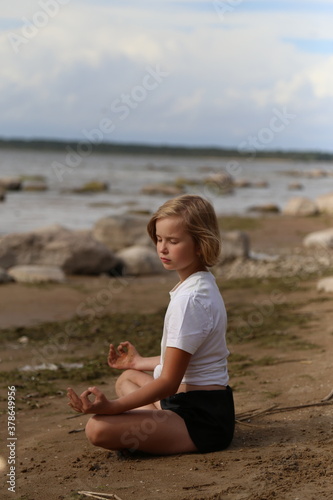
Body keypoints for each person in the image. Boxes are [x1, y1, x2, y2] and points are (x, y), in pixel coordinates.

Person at [67, 194, 235, 455]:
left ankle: (156, 436)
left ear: (201, 244)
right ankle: (153, 431)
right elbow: (185, 358)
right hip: (185, 403)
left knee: (97, 429)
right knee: (128, 377)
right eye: (159, 239)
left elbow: (168, 382)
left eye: (173, 241)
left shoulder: (190, 300)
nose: (162, 249)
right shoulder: (200, 283)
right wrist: (138, 362)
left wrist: (111, 407)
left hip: (200, 420)